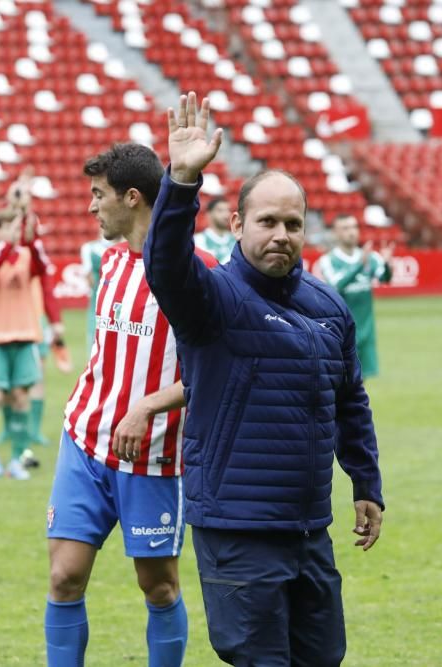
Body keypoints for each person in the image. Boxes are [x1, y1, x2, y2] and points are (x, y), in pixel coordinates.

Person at [145, 92, 384, 666]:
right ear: (236, 224)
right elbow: (166, 267)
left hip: (308, 526)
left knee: (323, 658)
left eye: (293, 224)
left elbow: (350, 399)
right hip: (238, 525)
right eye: (268, 221)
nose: (281, 234)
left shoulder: (328, 305)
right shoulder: (214, 297)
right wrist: (180, 182)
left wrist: (366, 482)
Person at [45, 142, 217, 667]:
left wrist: (146, 408)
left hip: (155, 460)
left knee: (159, 586)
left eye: (99, 195)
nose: (92, 206)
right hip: (85, 443)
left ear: (133, 198)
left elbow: (214, 373)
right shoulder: (111, 263)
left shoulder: (201, 271)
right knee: (63, 576)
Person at [0, 207, 62, 480]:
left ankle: (18, 458)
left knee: (22, 398)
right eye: (6, 227)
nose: (12, 233)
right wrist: (7, 245)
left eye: (14, 227)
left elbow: (43, 269)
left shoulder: (25, 255)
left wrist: (29, 236)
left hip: (25, 335)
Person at [315, 213, 394, 378]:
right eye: (345, 228)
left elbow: (384, 278)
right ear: (336, 233)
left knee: (361, 383)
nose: (351, 232)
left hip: (366, 331)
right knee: (341, 382)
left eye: (354, 227)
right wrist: (359, 265)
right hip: (341, 333)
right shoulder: (328, 261)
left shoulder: (371, 257)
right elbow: (336, 286)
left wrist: (387, 265)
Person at [79, 232, 119, 349]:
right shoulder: (89, 248)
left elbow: (90, 278)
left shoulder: (90, 248)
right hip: (101, 299)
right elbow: (89, 278)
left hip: (103, 298)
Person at [193, 197, 236, 263]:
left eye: (228, 210)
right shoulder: (199, 240)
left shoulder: (236, 238)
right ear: (209, 214)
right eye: (220, 211)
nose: (226, 215)